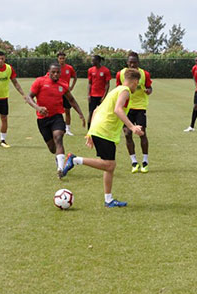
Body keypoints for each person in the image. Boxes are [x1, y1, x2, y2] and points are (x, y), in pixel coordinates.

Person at [61, 68, 144, 207]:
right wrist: (132, 127)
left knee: (109, 167)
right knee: (109, 165)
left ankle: (108, 200)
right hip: (105, 131)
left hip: (100, 130)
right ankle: (75, 160)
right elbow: (118, 110)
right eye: (138, 83)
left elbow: (96, 110)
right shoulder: (125, 91)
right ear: (135, 81)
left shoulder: (115, 90)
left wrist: (91, 132)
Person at [28, 64, 86, 178]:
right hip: (42, 119)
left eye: (58, 72)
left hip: (57, 117)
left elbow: (71, 100)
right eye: (53, 72)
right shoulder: (40, 81)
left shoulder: (63, 84)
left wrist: (80, 114)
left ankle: (60, 169)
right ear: (48, 72)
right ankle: (63, 158)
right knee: (52, 147)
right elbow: (29, 97)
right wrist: (38, 108)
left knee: (58, 138)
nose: (55, 74)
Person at [115, 52, 153, 173]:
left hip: (140, 107)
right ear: (127, 62)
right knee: (127, 134)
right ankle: (134, 162)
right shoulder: (120, 74)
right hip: (126, 108)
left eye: (134, 62)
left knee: (141, 133)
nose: (132, 64)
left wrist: (148, 90)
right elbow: (118, 89)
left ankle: (145, 161)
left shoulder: (144, 74)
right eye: (130, 62)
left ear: (138, 62)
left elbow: (150, 87)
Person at [86, 55, 111, 127]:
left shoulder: (106, 70)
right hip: (93, 95)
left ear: (98, 61)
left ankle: (101, 129)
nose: (92, 62)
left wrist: (104, 96)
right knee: (91, 113)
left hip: (101, 96)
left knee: (103, 113)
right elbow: (90, 83)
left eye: (93, 60)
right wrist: (88, 95)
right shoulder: (90, 70)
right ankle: (89, 131)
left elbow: (107, 84)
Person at [57, 52, 78, 136]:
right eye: (60, 58)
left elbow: (75, 77)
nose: (62, 60)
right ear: (58, 59)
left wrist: (71, 87)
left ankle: (68, 129)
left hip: (66, 92)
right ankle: (58, 128)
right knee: (57, 111)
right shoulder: (55, 68)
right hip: (57, 93)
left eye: (63, 58)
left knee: (67, 111)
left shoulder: (69, 68)